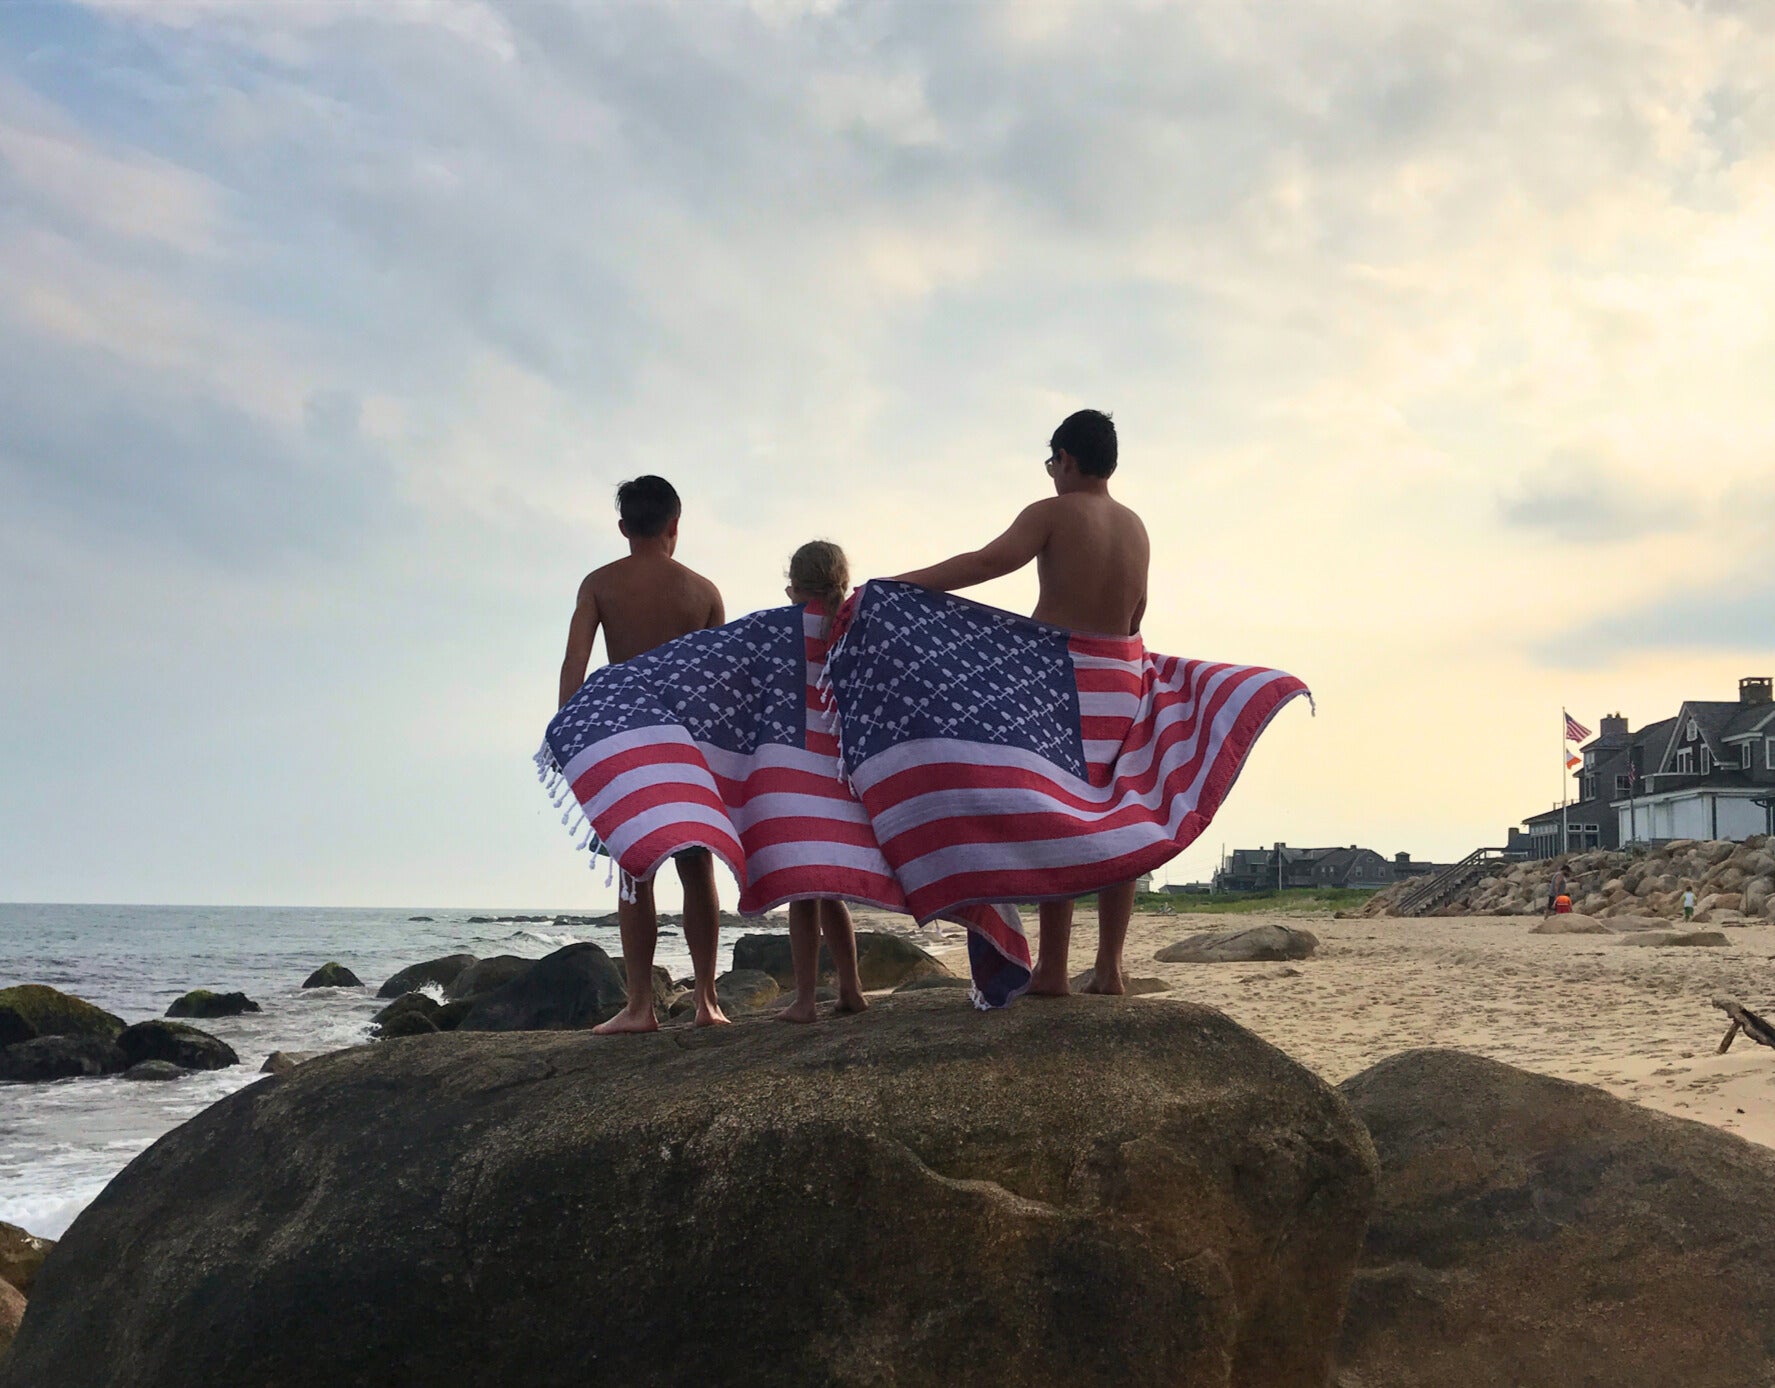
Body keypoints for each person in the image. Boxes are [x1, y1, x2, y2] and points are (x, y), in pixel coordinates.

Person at [890, 409, 1149, 997]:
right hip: (1123, 677)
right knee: (1116, 821)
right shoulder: (1136, 526)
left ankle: (1053, 971)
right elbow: (1135, 616)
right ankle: (1109, 968)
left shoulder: (1052, 513)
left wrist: (901, 586)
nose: (1051, 473)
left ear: (1067, 459)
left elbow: (986, 564)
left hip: (1061, 677)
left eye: (1051, 462)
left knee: (1056, 815)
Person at [557, 476, 730, 1032]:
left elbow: (574, 667)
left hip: (625, 738)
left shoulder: (600, 583)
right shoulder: (703, 592)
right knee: (697, 866)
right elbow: (715, 685)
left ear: (624, 528)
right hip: (686, 740)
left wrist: (570, 737)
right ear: (675, 526)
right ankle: (706, 1002)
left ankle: (639, 1006)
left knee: (636, 869)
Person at [775, 541, 871, 1024]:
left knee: (802, 888)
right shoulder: (854, 624)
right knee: (829, 885)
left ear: (793, 586)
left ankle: (806, 1000)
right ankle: (851, 988)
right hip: (845, 767)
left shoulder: (783, 629)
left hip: (800, 769)